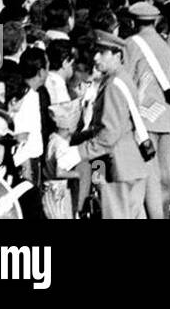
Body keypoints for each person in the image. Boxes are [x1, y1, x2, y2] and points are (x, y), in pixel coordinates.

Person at [65, 30, 154, 219]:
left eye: (103, 52)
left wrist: (78, 152)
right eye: (96, 52)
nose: (96, 57)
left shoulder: (113, 85)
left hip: (116, 166)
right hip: (131, 165)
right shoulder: (121, 79)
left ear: (117, 55)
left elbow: (109, 134)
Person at [123, 0, 170, 217]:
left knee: (149, 174)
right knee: (165, 174)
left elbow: (127, 78)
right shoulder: (164, 45)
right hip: (166, 114)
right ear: (155, 21)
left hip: (144, 116)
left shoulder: (130, 44)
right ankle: (164, 213)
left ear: (133, 21)